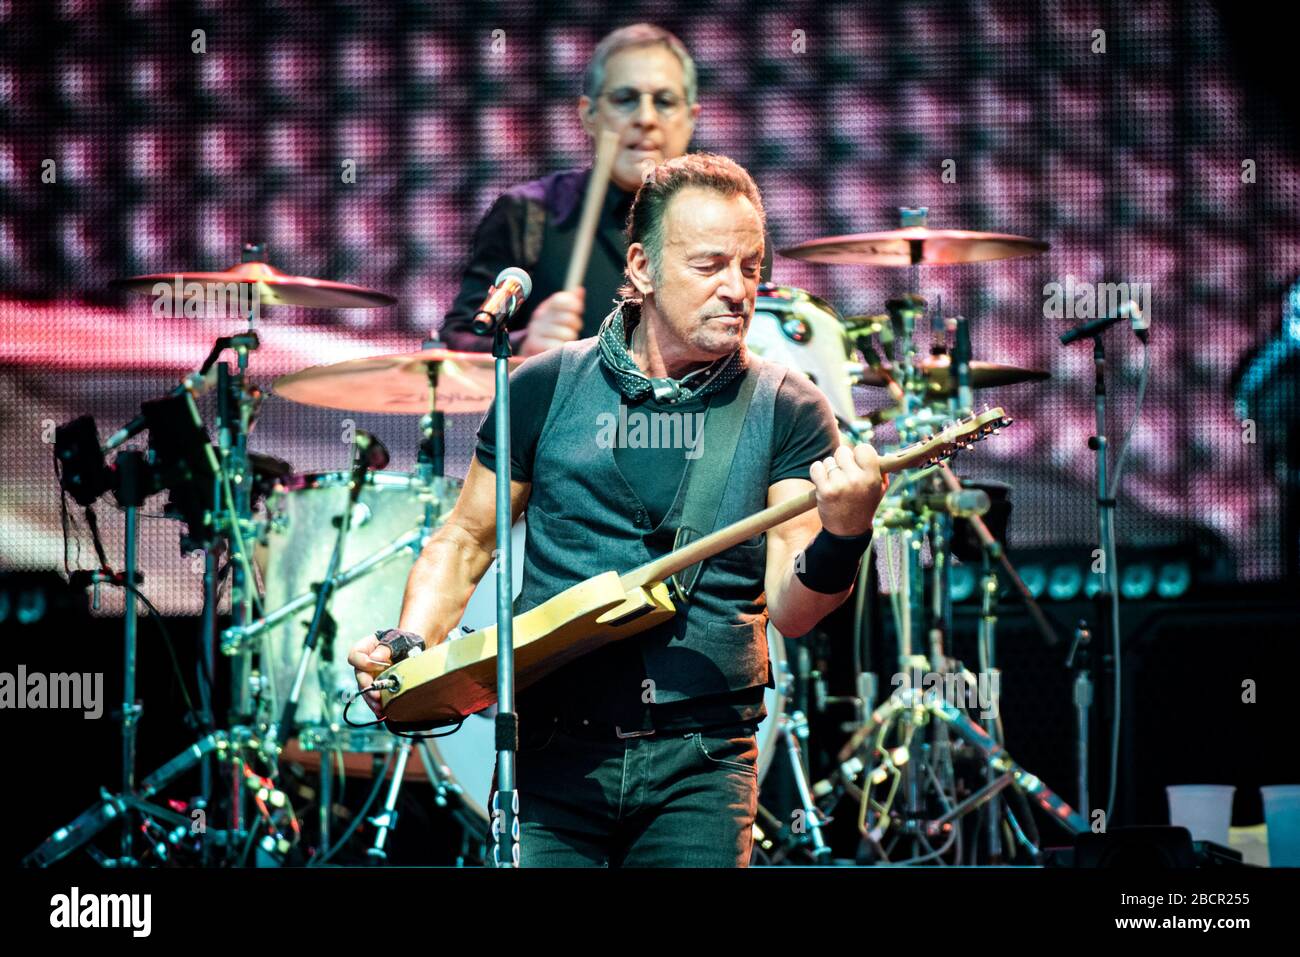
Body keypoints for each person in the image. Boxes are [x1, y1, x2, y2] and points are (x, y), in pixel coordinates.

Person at [351, 153, 884, 867]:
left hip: (703, 760)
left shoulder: (787, 406)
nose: (737, 289)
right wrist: (411, 645)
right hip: (550, 752)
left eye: (750, 267)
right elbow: (465, 541)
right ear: (640, 266)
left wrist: (845, 536)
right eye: (709, 265)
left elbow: (793, 607)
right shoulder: (544, 386)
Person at [438, 23, 772, 357]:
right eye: (625, 99)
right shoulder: (527, 214)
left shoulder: (736, 231)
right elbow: (459, 340)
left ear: (691, 118)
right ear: (589, 115)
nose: (645, 118)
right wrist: (524, 343)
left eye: (664, 101)